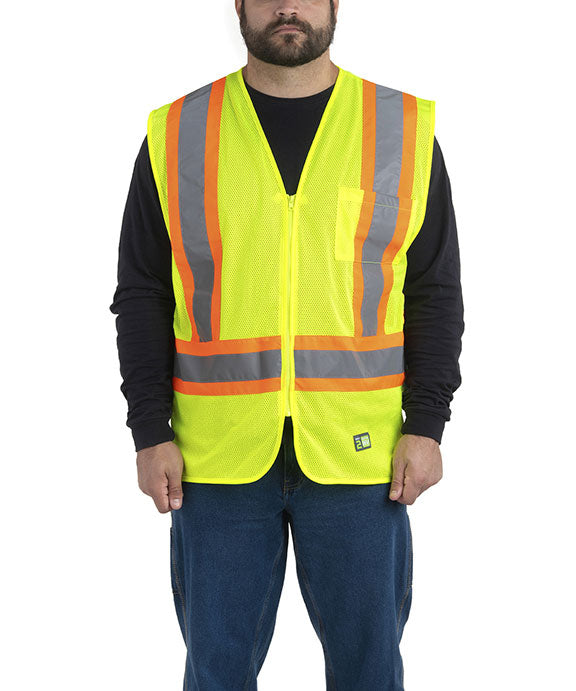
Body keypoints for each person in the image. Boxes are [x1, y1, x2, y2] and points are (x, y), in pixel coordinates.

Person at [109, 0, 464, 688]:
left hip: (362, 459)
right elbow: (143, 292)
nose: (288, 7)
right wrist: (149, 430)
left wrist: (427, 424)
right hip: (215, 461)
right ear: (239, 5)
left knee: (369, 672)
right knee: (216, 673)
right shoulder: (177, 133)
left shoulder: (401, 128)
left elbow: (434, 290)